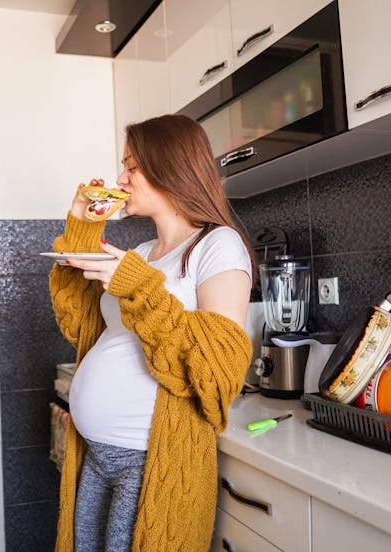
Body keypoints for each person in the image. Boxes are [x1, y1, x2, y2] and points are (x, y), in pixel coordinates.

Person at [48, 114, 254, 551]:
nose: (122, 178)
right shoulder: (142, 252)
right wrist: (82, 223)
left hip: (149, 459)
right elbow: (81, 324)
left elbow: (219, 374)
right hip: (96, 453)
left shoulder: (217, 245)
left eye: (133, 167)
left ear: (170, 167)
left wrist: (138, 284)